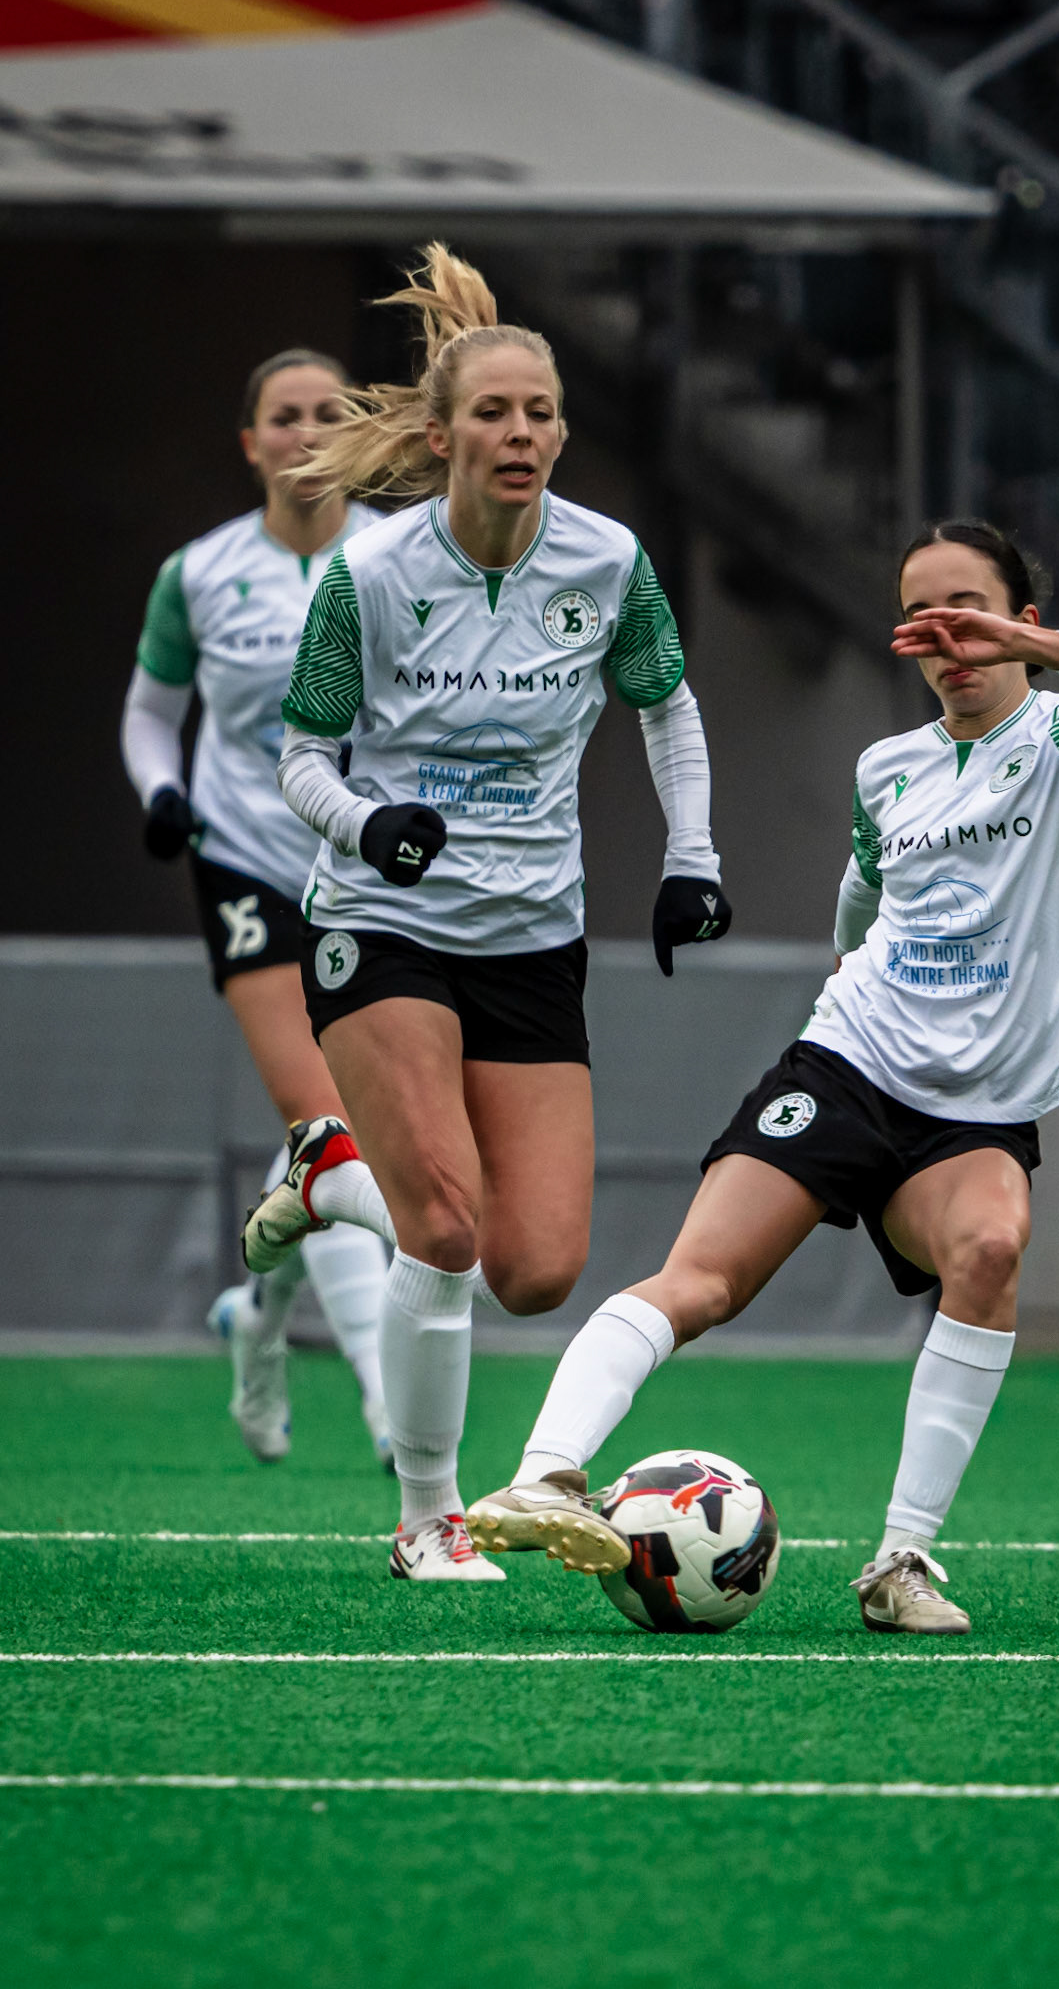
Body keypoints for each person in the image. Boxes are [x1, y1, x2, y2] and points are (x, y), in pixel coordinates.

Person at [462, 519, 1059, 1634]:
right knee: (699, 1282)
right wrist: (850, 974)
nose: (951, 639)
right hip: (849, 1063)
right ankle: (546, 1472)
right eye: (926, 619)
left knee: (990, 1246)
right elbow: (860, 895)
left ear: (1024, 624)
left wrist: (1040, 651)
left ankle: (900, 1562)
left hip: (976, 1112)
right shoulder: (886, 767)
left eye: (973, 612)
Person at [240, 245, 733, 1583]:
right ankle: (426, 1518)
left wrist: (691, 857)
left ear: (562, 432)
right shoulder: (374, 573)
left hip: (532, 933)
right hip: (378, 921)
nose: (519, 434)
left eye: (539, 413)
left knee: (535, 1269)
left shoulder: (608, 560)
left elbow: (666, 708)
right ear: (447, 433)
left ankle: (330, 1176)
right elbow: (298, 756)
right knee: (447, 1233)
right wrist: (366, 825)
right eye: (494, 413)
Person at [120, 349, 394, 1470]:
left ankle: (260, 1315)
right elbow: (149, 710)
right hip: (242, 859)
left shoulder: (398, 556)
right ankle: (390, 1404)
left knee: (350, 1142)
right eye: (284, 416)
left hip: (371, 866)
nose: (306, 431)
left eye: (329, 411)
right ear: (251, 442)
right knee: (323, 1119)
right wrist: (164, 794)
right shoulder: (198, 572)